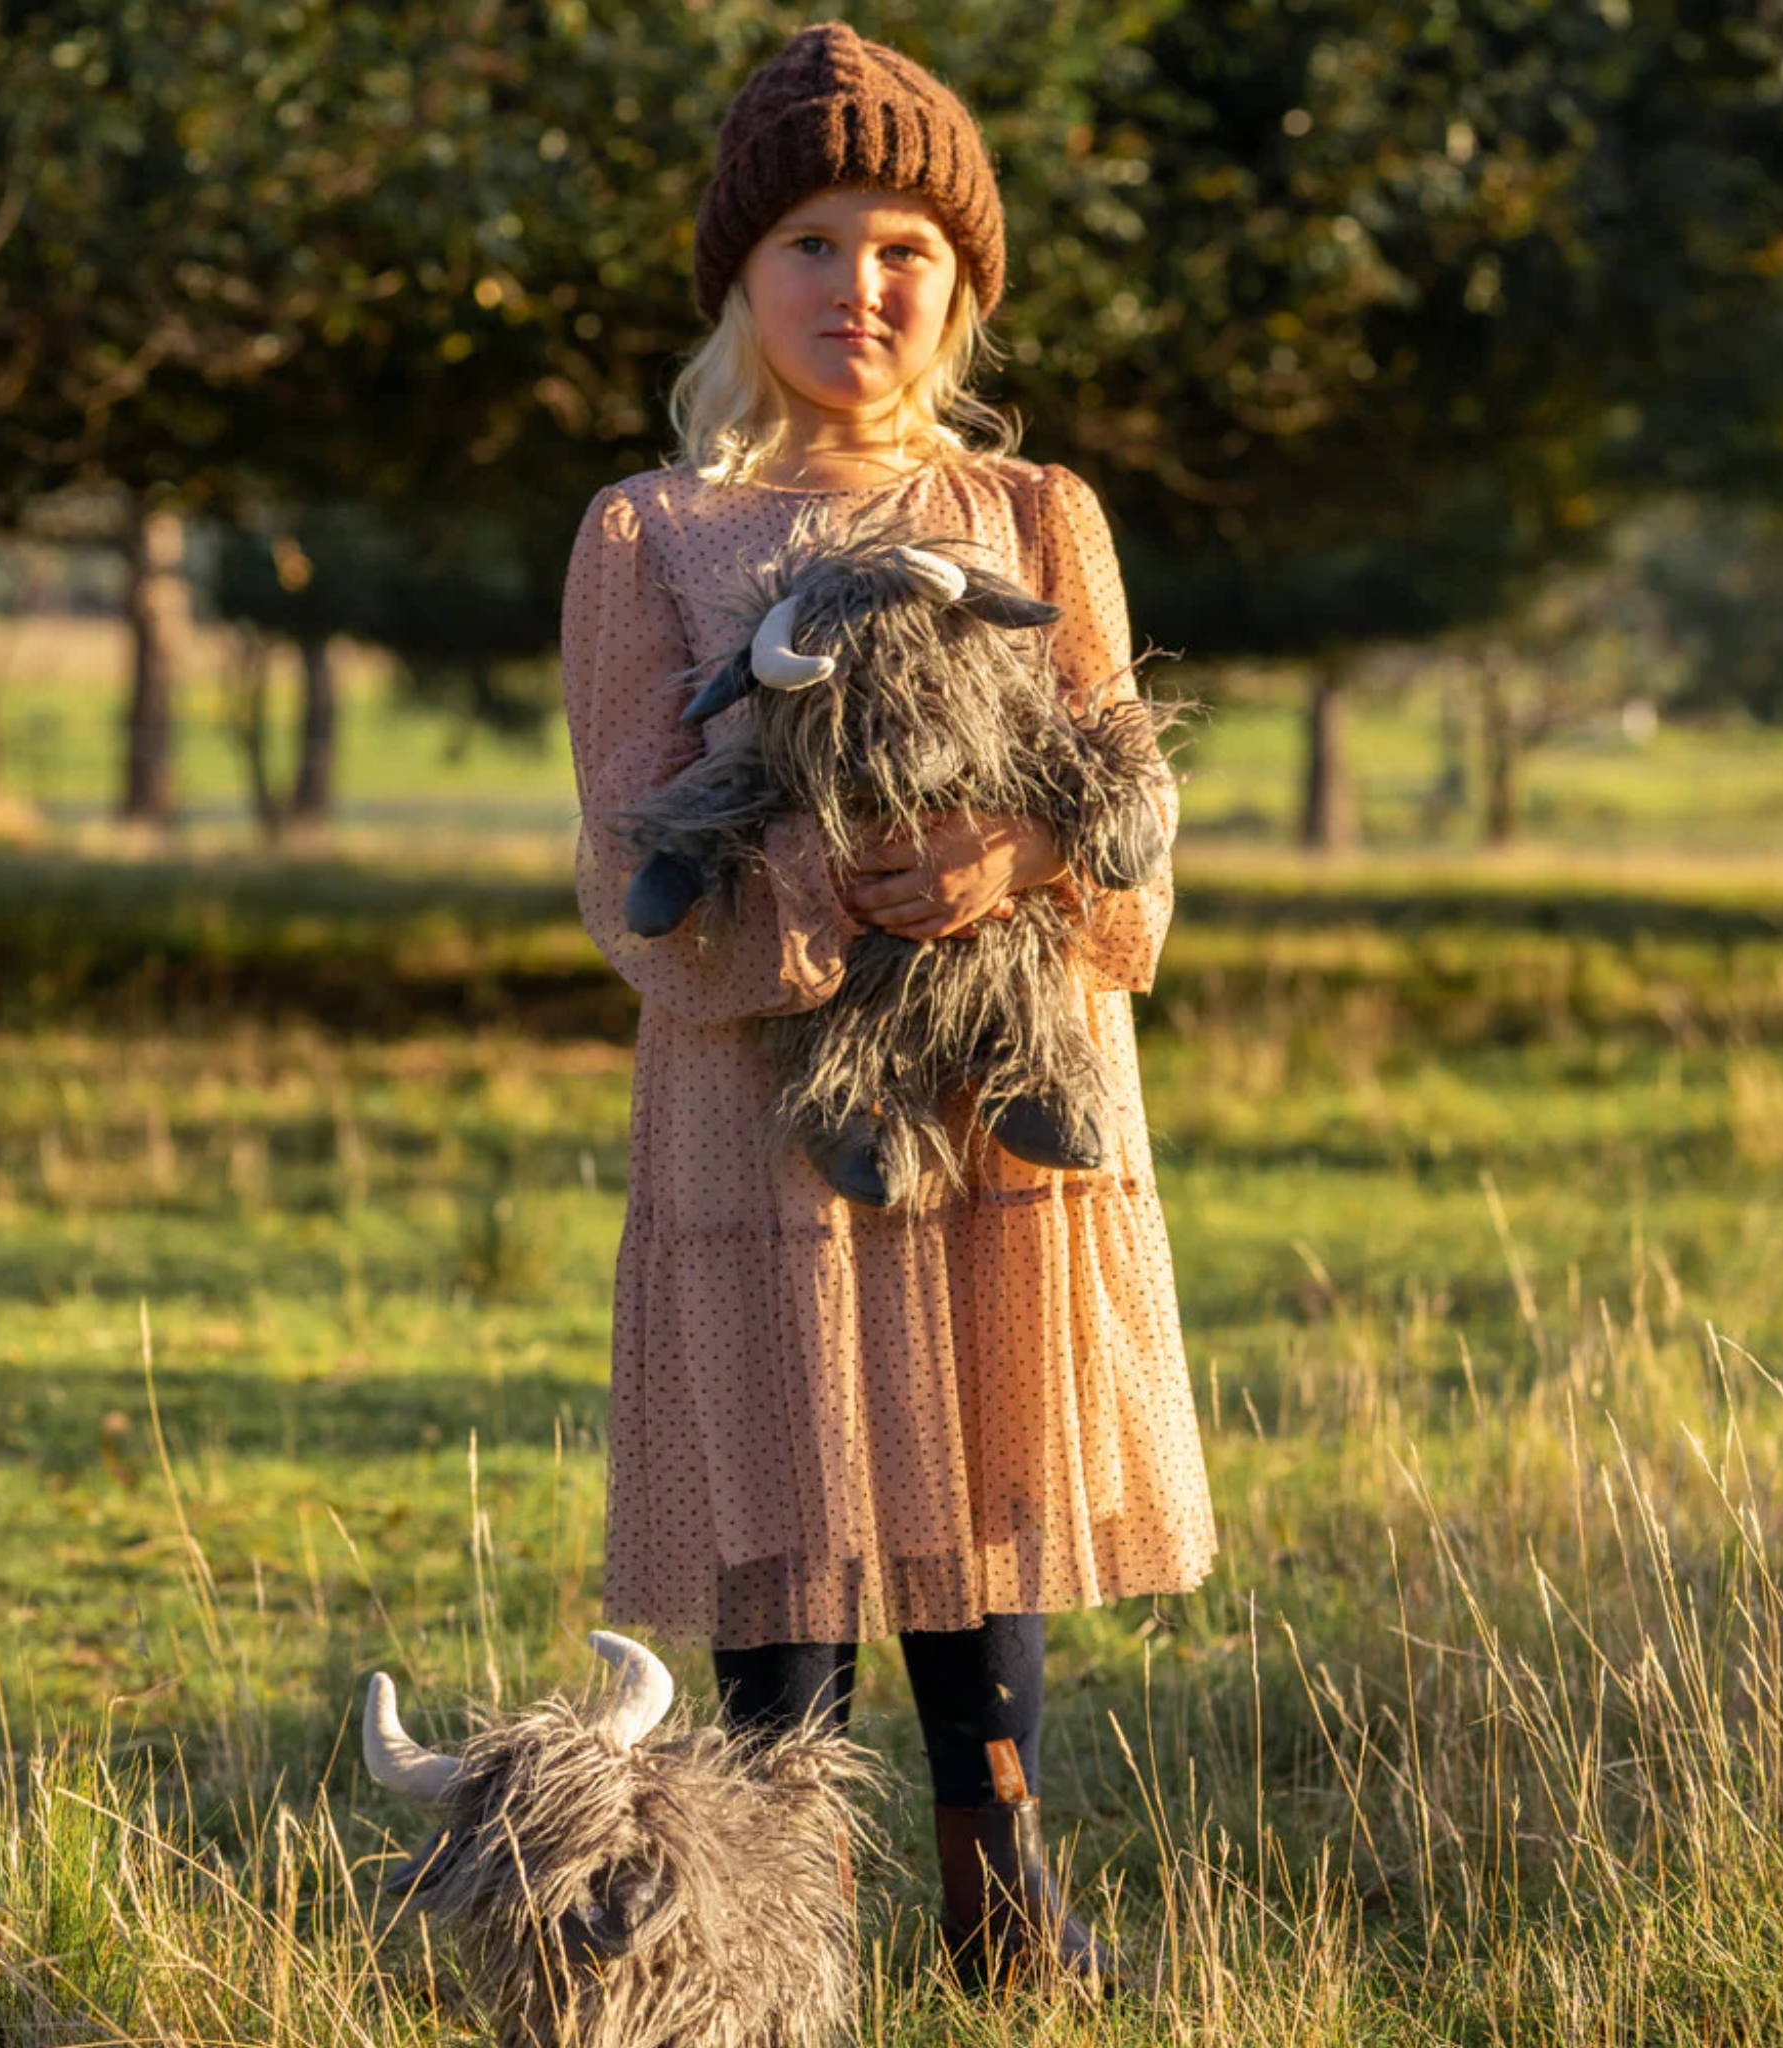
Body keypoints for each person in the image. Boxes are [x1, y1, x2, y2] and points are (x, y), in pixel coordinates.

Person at [557, 20, 1216, 1993]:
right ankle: (775, 1916)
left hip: (997, 1089)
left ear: (964, 285)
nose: (863, 287)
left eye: (908, 248)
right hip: (764, 1091)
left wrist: (1021, 864)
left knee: (971, 1468)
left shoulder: (1038, 516)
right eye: (815, 246)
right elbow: (618, 853)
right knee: (786, 1476)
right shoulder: (652, 536)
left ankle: (999, 1884)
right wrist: (803, 893)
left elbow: (1131, 795)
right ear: (741, 283)